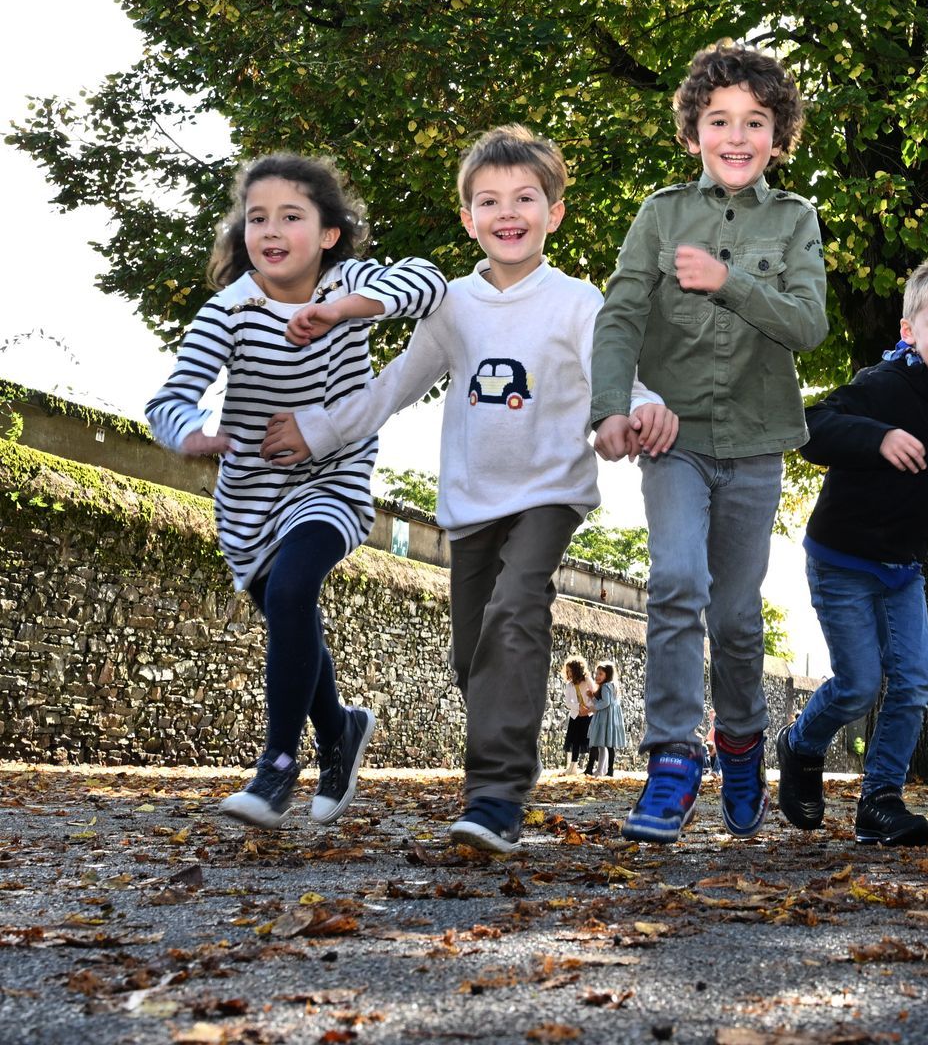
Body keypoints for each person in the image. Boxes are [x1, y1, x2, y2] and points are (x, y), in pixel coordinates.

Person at [261, 126, 672, 853]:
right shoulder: (450, 304)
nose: (507, 212)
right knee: (471, 655)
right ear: (467, 218)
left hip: (549, 493)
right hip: (471, 504)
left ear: (554, 213)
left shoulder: (577, 301)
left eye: (525, 199)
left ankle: (496, 797)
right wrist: (318, 430)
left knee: (517, 613)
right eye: (489, 201)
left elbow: (613, 372)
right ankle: (499, 771)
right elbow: (393, 386)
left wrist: (634, 408)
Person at [146, 153, 446, 829]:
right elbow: (169, 401)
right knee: (288, 613)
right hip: (249, 499)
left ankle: (278, 765)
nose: (270, 230)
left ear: (329, 233)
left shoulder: (349, 279)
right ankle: (339, 728)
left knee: (292, 591)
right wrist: (192, 432)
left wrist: (343, 310)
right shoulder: (231, 309)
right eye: (257, 218)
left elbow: (427, 283)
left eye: (291, 216)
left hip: (332, 479)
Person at [589, 42, 829, 844]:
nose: (736, 136)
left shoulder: (794, 220)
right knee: (677, 581)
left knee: (734, 617)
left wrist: (732, 281)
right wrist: (610, 407)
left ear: (776, 135)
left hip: (758, 444)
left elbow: (809, 326)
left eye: (754, 122)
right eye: (718, 120)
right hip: (675, 438)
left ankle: (741, 743)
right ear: (693, 133)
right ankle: (670, 759)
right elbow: (620, 316)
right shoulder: (660, 214)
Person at [774, 258, 928, 847]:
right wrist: (877, 436)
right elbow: (814, 425)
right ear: (909, 331)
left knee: (913, 682)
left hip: (903, 566)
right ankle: (800, 746)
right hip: (844, 559)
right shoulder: (884, 383)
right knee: (858, 684)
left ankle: (881, 798)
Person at [586, 662, 626, 777]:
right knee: (609, 745)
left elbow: (605, 702)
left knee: (595, 742)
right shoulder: (613, 686)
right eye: (596, 674)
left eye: (600, 674)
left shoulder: (605, 686)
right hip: (610, 719)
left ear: (607, 675)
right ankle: (610, 770)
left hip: (604, 719)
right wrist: (592, 697)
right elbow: (605, 702)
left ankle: (590, 769)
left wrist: (593, 706)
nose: (597, 676)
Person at [562, 657, 596, 776]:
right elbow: (567, 702)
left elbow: (595, 696)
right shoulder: (569, 685)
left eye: (570, 671)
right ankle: (573, 766)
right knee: (574, 740)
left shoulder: (587, 680)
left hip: (588, 715)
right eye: (567, 671)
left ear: (577, 670)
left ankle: (591, 767)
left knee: (589, 741)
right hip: (575, 715)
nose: (568, 674)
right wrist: (578, 707)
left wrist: (587, 709)